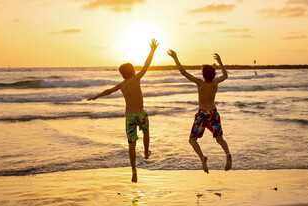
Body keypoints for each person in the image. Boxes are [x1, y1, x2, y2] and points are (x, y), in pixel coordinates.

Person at [88, 39, 159, 183]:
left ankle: (133, 169)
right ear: (132, 71)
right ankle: (146, 152)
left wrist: (96, 96)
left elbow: (108, 91)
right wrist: (152, 50)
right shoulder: (136, 78)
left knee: (131, 145)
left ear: (122, 75)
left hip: (130, 117)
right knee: (146, 131)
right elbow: (146, 65)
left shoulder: (121, 85)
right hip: (140, 114)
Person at [167, 49, 232, 173]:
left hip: (202, 115)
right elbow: (225, 75)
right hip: (213, 113)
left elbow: (183, 72)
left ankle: (202, 158)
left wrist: (175, 58)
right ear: (213, 75)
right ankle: (227, 153)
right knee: (220, 139)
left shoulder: (200, 83)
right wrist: (220, 62)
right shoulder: (216, 82)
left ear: (203, 75)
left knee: (192, 140)